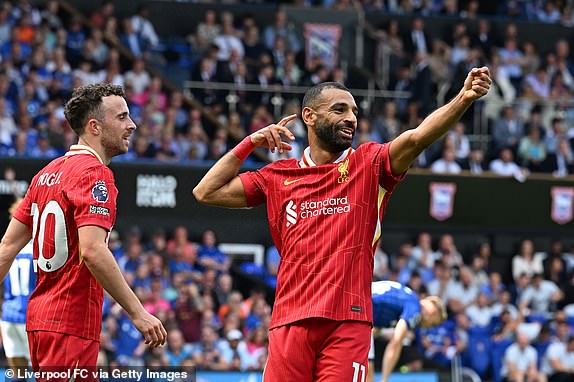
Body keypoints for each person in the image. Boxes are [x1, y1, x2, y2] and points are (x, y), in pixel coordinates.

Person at [193, 67, 491, 381]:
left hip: (348, 323)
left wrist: (464, 97)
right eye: (339, 109)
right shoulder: (277, 177)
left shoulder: (370, 164)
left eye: (354, 111)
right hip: (289, 321)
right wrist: (250, 142)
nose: (351, 118)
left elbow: (417, 138)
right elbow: (205, 191)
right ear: (309, 116)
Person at [0, 83, 166, 380]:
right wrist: (138, 313)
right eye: (122, 117)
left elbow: (7, 247)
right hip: (70, 323)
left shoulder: (45, 174)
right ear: (95, 127)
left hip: (40, 321)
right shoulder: (95, 174)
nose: (132, 125)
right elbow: (92, 250)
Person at [368, 281, 447, 382]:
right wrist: (385, 379)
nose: (428, 326)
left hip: (355, 298)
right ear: (433, 312)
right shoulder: (416, 309)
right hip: (362, 309)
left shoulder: (406, 296)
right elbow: (396, 341)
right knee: (367, 375)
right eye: (432, 323)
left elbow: (377, 327)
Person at [1, 199, 36, 378]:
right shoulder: (38, 250)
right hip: (30, 319)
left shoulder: (5, 248)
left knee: (18, 375)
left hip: (8, 316)